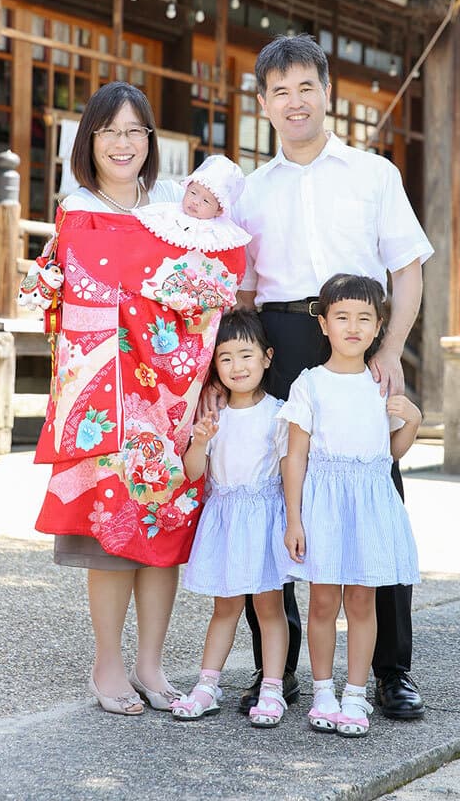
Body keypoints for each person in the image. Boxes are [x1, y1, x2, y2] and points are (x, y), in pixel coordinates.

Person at [229, 33, 433, 719]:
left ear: (328, 93)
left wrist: (389, 348)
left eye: (305, 88)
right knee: (271, 489)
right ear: (263, 103)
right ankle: (275, 670)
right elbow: (245, 295)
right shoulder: (252, 190)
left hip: (357, 336)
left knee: (376, 485)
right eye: (279, 91)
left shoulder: (372, 173)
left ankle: (391, 670)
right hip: (281, 338)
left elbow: (406, 268)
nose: (294, 102)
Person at [30, 81, 246, 717]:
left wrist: (200, 381)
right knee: (112, 533)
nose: (122, 144)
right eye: (109, 131)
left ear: (150, 142)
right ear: (89, 141)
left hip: (172, 395)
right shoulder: (79, 209)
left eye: (135, 132)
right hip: (107, 393)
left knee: (165, 531)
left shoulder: (179, 216)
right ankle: (108, 664)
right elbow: (75, 304)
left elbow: (209, 298)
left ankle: (151, 664)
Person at [279, 273, 421, 736]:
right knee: (322, 601)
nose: (353, 327)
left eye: (364, 318)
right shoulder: (310, 384)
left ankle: (356, 695)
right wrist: (294, 518)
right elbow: (295, 455)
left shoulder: (380, 383)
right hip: (323, 504)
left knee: (363, 601)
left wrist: (412, 421)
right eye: (342, 317)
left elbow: (391, 454)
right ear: (323, 324)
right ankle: (323, 690)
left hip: (371, 503)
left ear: (379, 326)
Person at [171, 310, 290, 728]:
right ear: (214, 365)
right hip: (224, 518)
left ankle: (273, 688)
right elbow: (193, 473)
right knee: (224, 607)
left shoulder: (279, 414)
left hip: (263, 521)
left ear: (267, 357)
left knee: (269, 607)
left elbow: (293, 472)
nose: (237, 367)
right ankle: (208, 685)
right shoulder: (212, 416)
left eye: (246, 355)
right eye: (225, 358)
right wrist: (199, 441)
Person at [135, 154, 251, 253]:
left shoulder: (222, 233)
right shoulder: (168, 213)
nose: (196, 202)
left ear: (219, 209)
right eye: (193, 192)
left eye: (206, 201)